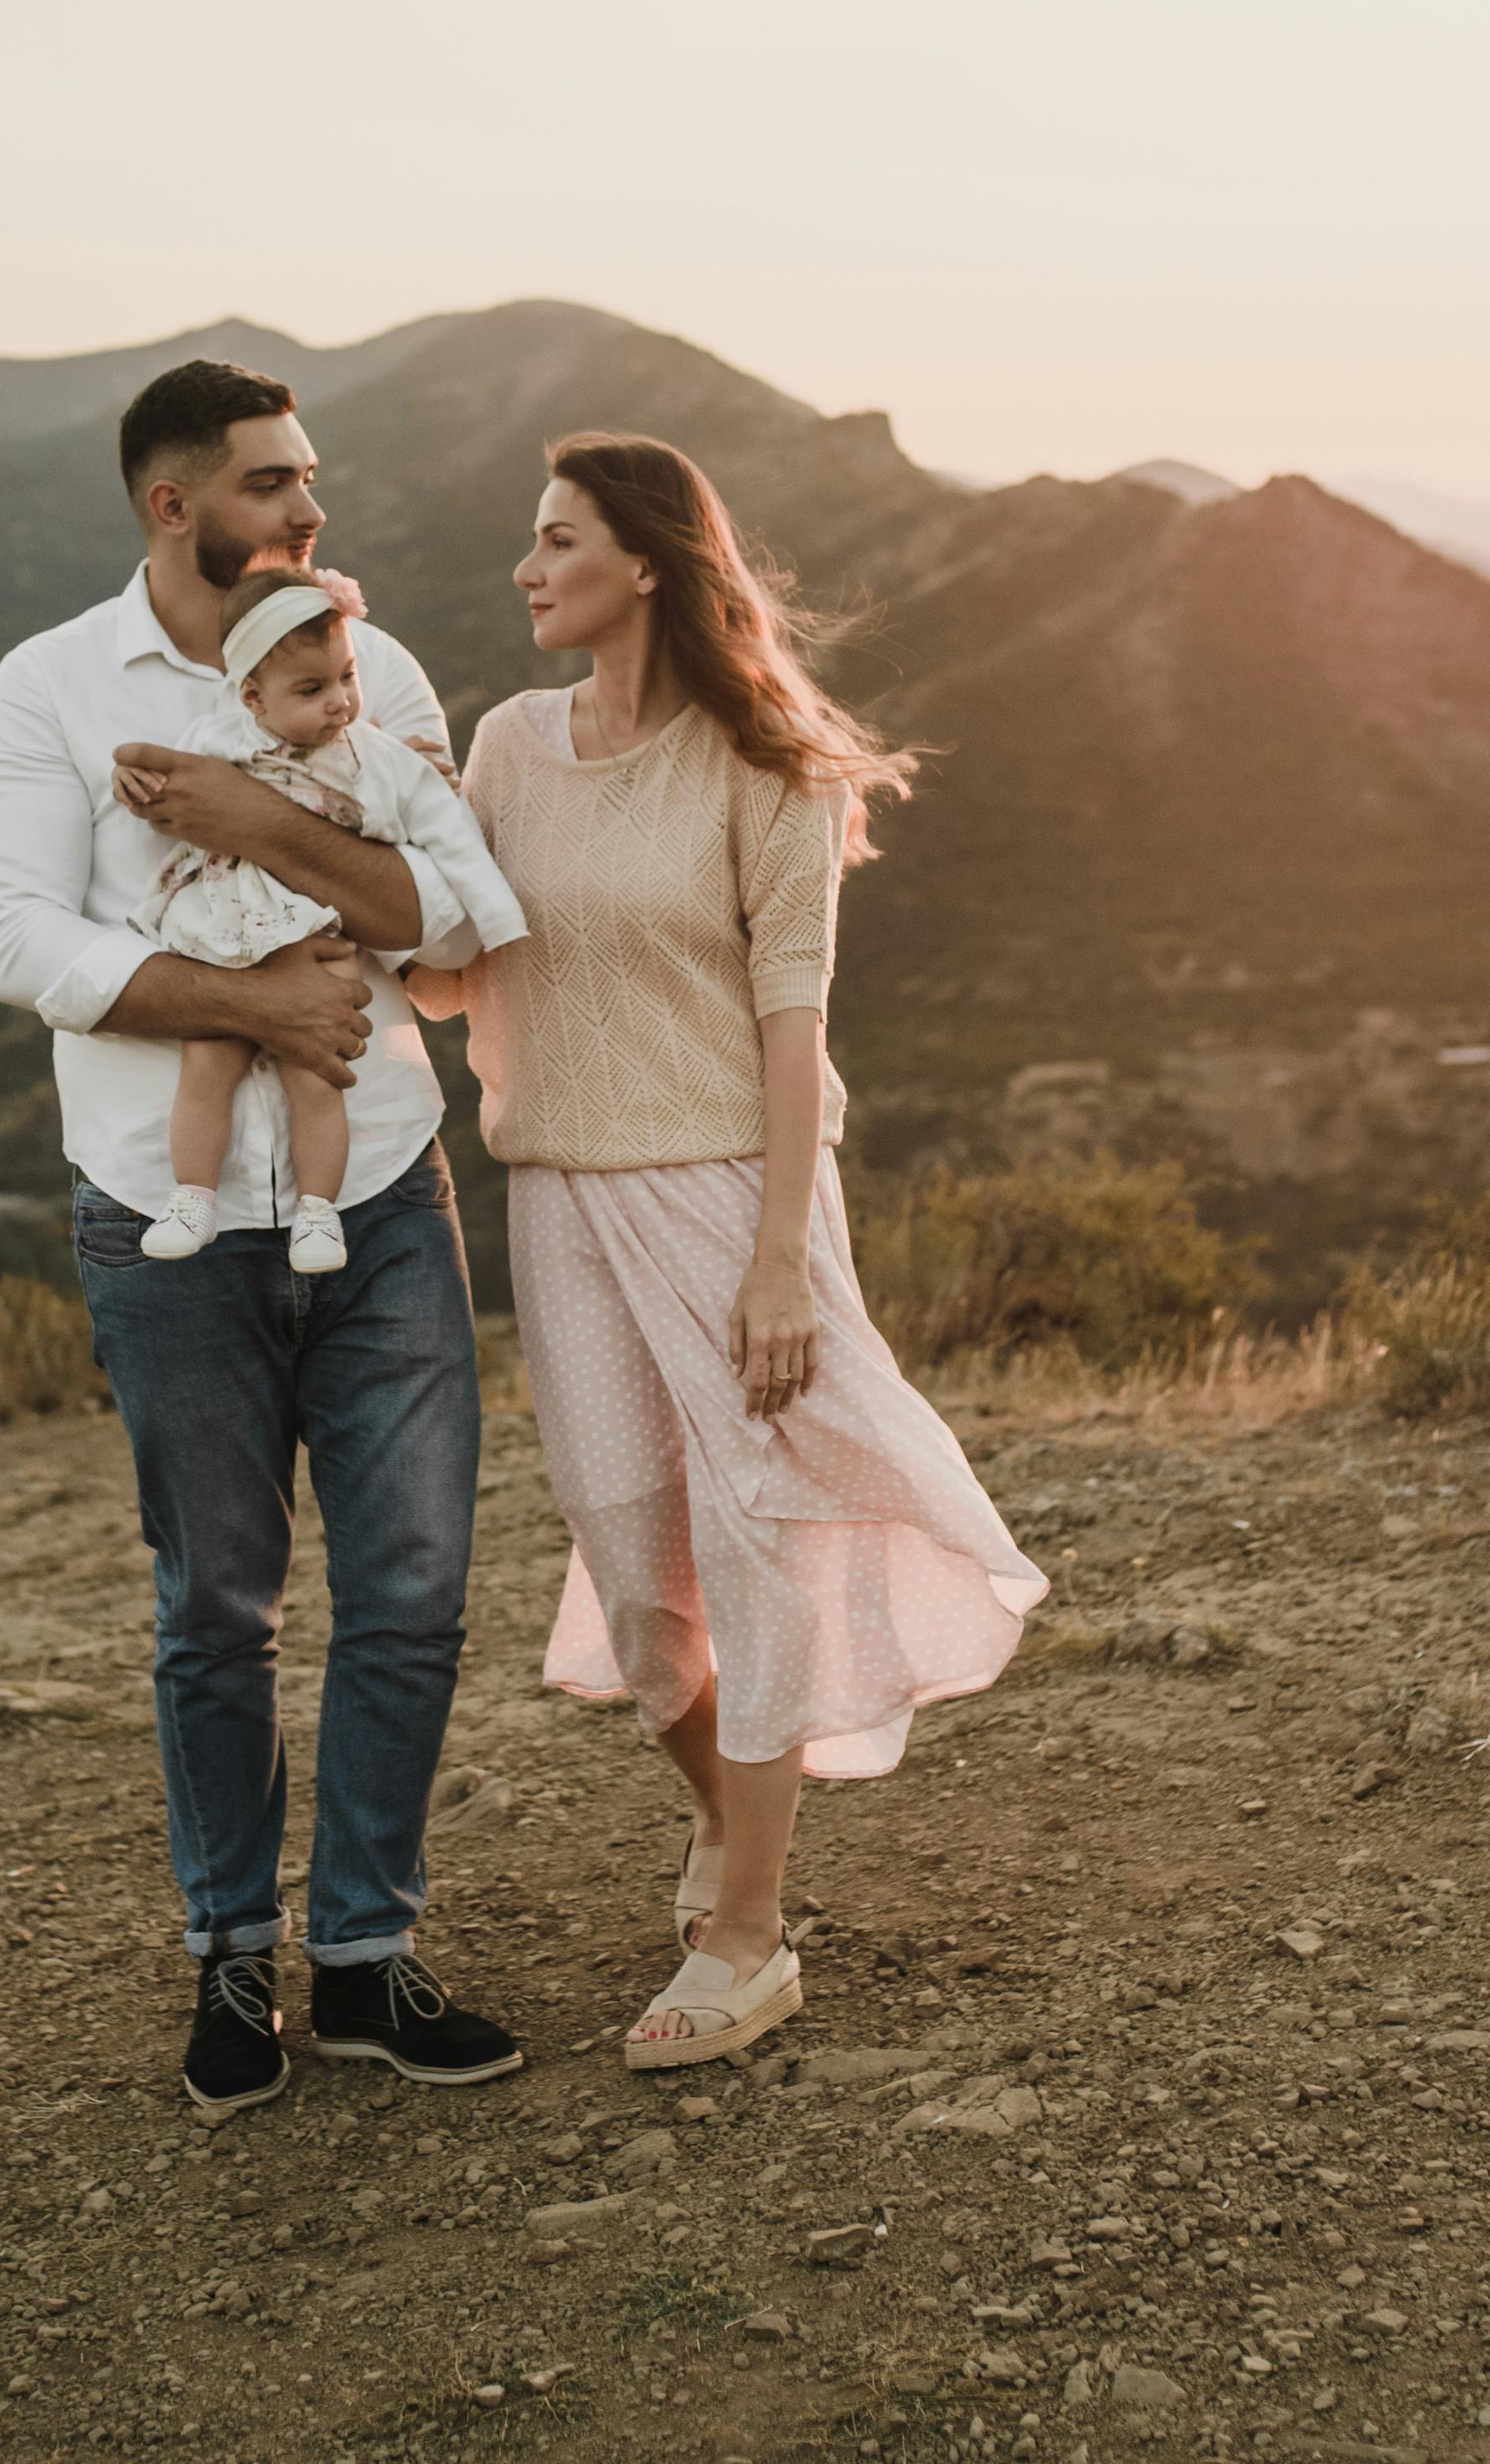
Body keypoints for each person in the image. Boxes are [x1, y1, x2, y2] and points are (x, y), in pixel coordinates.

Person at [418, 432, 1045, 2071]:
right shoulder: (507, 742)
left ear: (644, 561)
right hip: (557, 1191)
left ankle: (754, 1933)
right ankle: (720, 1806)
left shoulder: (768, 763)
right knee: (639, 1572)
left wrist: (781, 1255)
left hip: (726, 1187)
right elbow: (446, 970)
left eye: (554, 538)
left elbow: (793, 1024)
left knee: (760, 1522)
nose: (525, 566)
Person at [0, 358, 523, 2121]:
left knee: (415, 1591)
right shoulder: (54, 683)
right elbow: (16, 937)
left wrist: (268, 822)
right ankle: (231, 1954)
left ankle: (361, 1955)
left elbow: (442, 917)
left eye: (312, 478)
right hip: (168, 1216)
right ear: (173, 503)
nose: (310, 512)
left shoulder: (381, 669)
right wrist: (248, 1006)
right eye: (277, 482)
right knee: (216, 1603)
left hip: (386, 1200)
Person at [131, 566, 528, 1274]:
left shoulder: (375, 758)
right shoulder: (220, 739)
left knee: (316, 1074)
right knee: (207, 1062)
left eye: (347, 678)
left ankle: (319, 1213)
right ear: (252, 695)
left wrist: (496, 918)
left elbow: (449, 833)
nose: (341, 702)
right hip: (229, 931)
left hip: (317, 934)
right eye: (312, 691)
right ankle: (192, 1195)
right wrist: (134, 782)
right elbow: (170, 792)